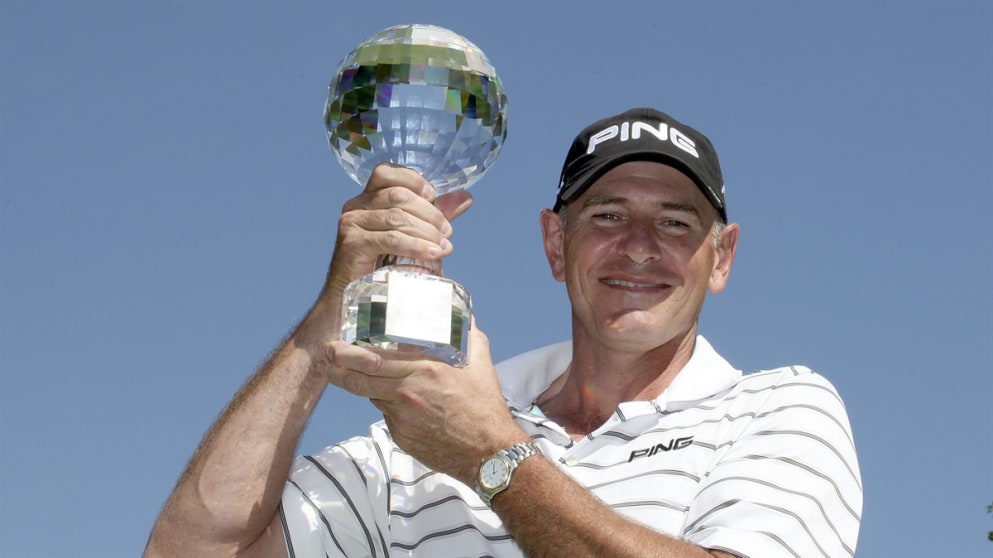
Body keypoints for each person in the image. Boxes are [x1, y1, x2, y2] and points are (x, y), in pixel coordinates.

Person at [144, 107, 862, 558]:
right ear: (555, 244)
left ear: (722, 257)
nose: (639, 246)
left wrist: (493, 457)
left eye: (675, 222)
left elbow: (485, 446)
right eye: (606, 215)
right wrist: (329, 313)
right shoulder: (428, 423)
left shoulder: (780, 408)